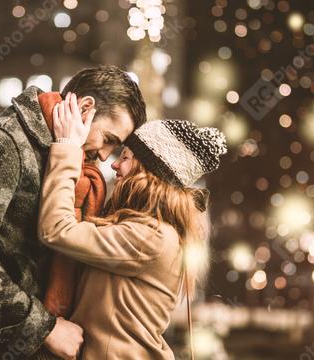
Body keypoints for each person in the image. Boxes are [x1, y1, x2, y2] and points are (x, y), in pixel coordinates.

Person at [0, 66, 146, 360]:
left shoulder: (73, 162)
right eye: (109, 138)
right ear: (85, 107)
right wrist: (44, 328)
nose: (106, 155)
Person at [38, 96, 227, 359]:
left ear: (147, 172)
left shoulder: (150, 237)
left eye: (125, 157)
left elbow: (57, 229)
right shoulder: (149, 229)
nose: (114, 163)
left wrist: (67, 146)